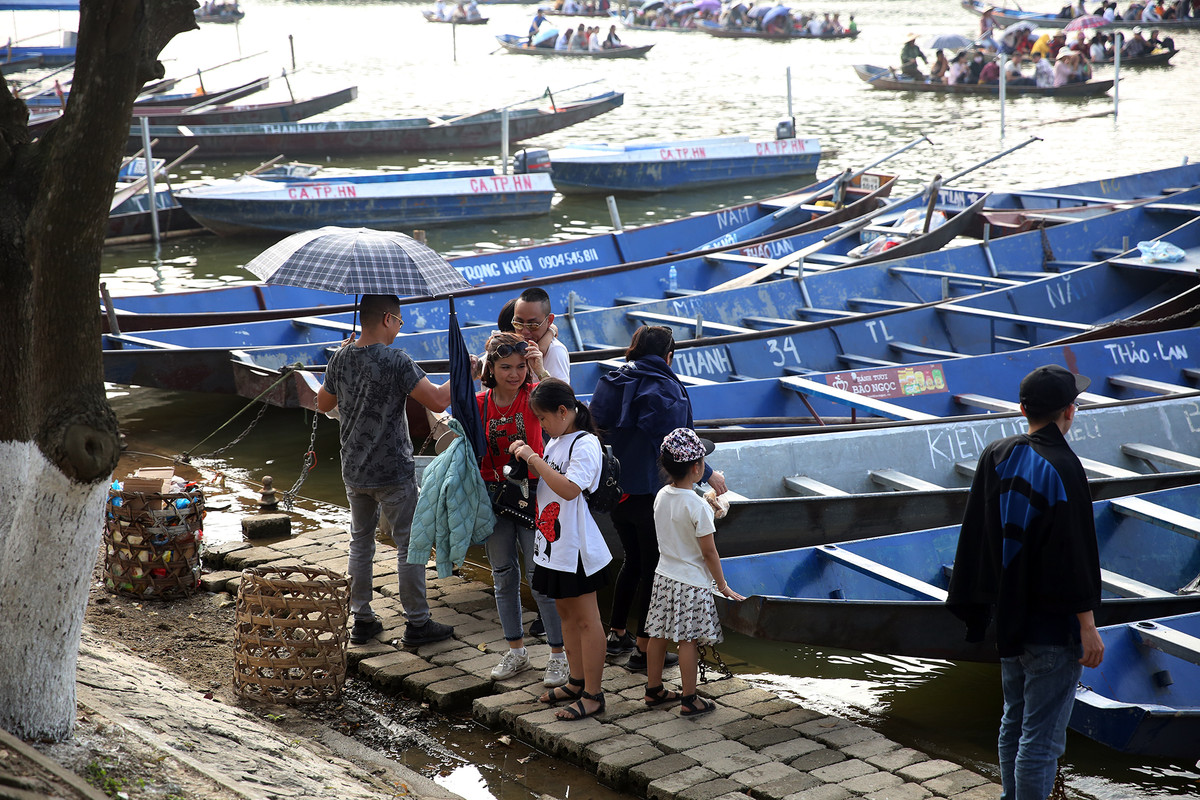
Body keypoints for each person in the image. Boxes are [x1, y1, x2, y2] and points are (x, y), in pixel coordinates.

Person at [947, 365, 1103, 800]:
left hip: (1009, 620)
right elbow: (1075, 555)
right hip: (1053, 629)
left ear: (1022, 409)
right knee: (1043, 740)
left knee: (1013, 724)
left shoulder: (996, 452)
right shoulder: (1063, 465)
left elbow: (976, 534)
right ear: (1069, 412)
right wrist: (1087, 626)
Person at [315, 295, 456, 647]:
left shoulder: (340, 356)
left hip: (354, 467)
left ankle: (362, 618)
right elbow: (438, 400)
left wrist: (341, 368)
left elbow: (323, 403)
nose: (399, 328)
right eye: (400, 322)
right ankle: (417, 622)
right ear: (388, 319)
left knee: (360, 542)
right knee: (409, 543)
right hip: (393, 468)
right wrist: (463, 374)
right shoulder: (396, 359)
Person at [589, 326, 729, 672]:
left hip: (616, 491)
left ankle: (617, 633)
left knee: (633, 561)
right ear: (669, 356)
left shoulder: (611, 380)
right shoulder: (667, 390)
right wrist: (709, 474)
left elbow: (595, 427)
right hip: (651, 496)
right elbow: (676, 448)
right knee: (654, 568)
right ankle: (642, 649)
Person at [507, 379, 612, 721]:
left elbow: (569, 490)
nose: (542, 425)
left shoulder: (586, 445)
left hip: (577, 547)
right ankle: (576, 681)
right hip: (552, 544)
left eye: (544, 417)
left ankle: (594, 694)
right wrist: (530, 460)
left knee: (587, 619)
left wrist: (534, 458)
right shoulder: (556, 441)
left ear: (564, 411)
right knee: (566, 614)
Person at [476, 333, 569, 687]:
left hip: (536, 497)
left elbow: (568, 404)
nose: (513, 374)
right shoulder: (479, 402)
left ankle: (558, 654)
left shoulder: (534, 397)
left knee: (541, 577)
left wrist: (540, 369)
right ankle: (516, 650)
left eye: (519, 367)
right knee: (503, 574)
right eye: (505, 368)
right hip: (494, 498)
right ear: (491, 368)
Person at [642, 428, 744, 717]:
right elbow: (709, 552)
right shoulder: (698, 505)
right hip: (691, 582)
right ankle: (689, 699)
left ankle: (654, 689)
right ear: (697, 468)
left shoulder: (662, 495)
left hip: (664, 575)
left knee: (658, 633)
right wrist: (722, 585)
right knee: (688, 640)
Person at [512, 288, 569, 383]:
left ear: (549, 320)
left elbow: (561, 396)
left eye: (533, 325)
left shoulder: (555, 351)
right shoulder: (510, 345)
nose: (524, 331)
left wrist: (541, 373)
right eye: (518, 323)